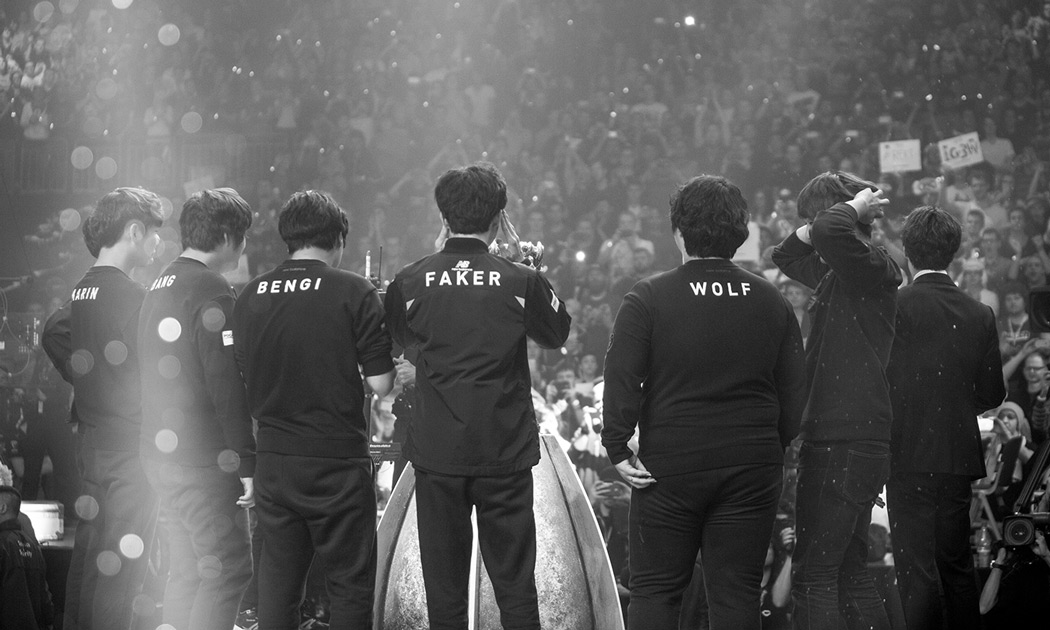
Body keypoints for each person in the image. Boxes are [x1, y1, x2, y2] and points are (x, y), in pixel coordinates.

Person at [602, 175, 806, 629]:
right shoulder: (772, 299)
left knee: (655, 592)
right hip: (751, 465)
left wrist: (616, 445)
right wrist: (770, 446)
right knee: (736, 596)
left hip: (669, 465)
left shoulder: (648, 297)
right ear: (741, 232)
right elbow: (795, 391)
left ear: (678, 232)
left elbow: (621, 376)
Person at [384, 162, 571, 630]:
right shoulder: (520, 280)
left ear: (443, 217)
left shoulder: (408, 281)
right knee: (516, 591)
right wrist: (532, 270)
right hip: (503, 453)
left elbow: (403, 340)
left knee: (444, 597)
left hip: (438, 455)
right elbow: (557, 333)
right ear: (499, 218)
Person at [232, 189, 395, 630]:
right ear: (338, 239)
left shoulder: (251, 293)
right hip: (336, 463)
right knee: (349, 588)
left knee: (278, 589)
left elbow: (242, 374)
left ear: (288, 237)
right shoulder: (353, 290)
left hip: (274, 462)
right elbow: (381, 384)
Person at [772, 171, 902, 630]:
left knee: (814, 575)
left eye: (815, 218)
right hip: (852, 434)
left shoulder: (869, 267)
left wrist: (854, 207)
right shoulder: (843, 273)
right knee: (848, 573)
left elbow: (828, 230)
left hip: (842, 437)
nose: (814, 228)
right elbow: (784, 255)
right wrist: (820, 225)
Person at [42, 187, 164, 630]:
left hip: (93, 445)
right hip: (131, 449)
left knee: (90, 558)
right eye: (154, 233)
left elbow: (52, 332)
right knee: (122, 570)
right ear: (133, 231)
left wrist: (88, 380)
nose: (158, 243)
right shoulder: (136, 296)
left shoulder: (83, 289)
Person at [137, 188, 257, 630]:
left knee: (187, 570)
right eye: (242, 236)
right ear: (226, 237)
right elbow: (225, 382)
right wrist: (246, 458)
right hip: (203, 459)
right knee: (227, 568)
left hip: (160, 454)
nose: (244, 246)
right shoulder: (211, 287)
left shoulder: (160, 282)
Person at [884, 205, 1006, 630]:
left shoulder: (893, 306)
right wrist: (953, 407)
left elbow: (878, 380)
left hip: (905, 455)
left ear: (906, 250)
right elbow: (992, 394)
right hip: (955, 458)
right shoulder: (979, 313)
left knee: (914, 567)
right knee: (955, 565)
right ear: (953, 252)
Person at [0, 485, 54, 629]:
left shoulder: (2, 544)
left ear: (2, 508)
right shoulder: (33, 546)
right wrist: (49, 621)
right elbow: (44, 594)